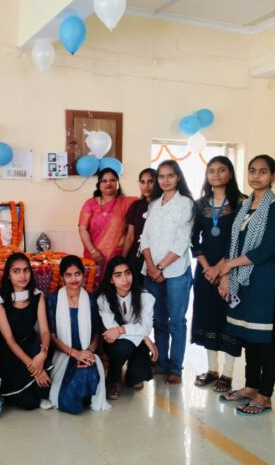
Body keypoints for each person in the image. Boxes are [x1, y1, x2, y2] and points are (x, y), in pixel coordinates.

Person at [218, 155, 275, 416]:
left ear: (273, 176)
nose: (256, 176)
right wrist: (226, 275)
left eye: (263, 171)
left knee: (265, 339)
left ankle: (265, 394)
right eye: (252, 171)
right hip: (242, 279)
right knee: (249, 336)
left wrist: (229, 266)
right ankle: (251, 386)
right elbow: (232, 243)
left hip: (263, 281)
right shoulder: (244, 206)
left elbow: (267, 248)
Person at [191, 157, 244, 393]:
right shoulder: (199, 204)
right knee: (208, 318)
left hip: (232, 270)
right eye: (211, 170)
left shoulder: (242, 203)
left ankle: (228, 374)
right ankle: (212, 370)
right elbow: (193, 240)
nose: (216, 174)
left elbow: (239, 240)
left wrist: (221, 269)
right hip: (206, 272)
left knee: (229, 319)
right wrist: (207, 268)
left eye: (221, 170)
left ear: (230, 173)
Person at [140, 160, 194, 385]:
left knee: (176, 321)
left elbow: (182, 241)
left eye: (170, 175)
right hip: (151, 271)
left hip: (176, 272)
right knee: (159, 319)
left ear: (178, 177)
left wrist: (160, 267)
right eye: (161, 176)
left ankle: (175, 368)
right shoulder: (154, 205)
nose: (165, 180)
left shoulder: (186, 204)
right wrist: (152, 267)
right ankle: (161, 363)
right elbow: (145, 238)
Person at [46, 255, 110, 413]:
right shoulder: (53, 299)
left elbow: (97, 332)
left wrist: (89, 351)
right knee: (70, 405)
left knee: (87, 371)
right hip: (64, 355)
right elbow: (52, 336)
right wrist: (74, 353)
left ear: (83, 274)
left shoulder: (91, 299)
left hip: (86, 353)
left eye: (77, 274)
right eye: (68, 275)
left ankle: (82, 392)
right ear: (62, 278)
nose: (73, 279)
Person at [0, 252, 51, 410]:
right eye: (16, 271)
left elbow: (45, 331)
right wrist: (35, 368)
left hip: (33, 347)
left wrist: (42, 354)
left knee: (46, 390)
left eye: (26, 270)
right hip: (13, 353)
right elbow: (10, 340)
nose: (22, 276)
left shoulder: (37, 296)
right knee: (29, 403)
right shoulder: (0, 302)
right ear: (8, 275)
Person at [97, 256, 156, 400]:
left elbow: (146, 326)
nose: (125, 279)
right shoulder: (104, 299)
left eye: (128, 273)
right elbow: (111, 329)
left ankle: (132, 373)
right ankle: (113, 378)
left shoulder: (145, 297)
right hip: (116, 343)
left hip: (134, 342)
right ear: (111, 280)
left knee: (136, 379)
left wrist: (121, 330)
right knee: (123, 346)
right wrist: (145, 337)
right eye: (118, 275)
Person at [79, 168, 137, 278]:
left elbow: (146, 201)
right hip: (93, 256)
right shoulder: (90, 204)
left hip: (117, 257)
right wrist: (93, 251)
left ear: (118, 183)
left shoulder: (128, 202)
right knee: (93, 284)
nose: (108, 183)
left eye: (113, 180)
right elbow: (82, 229)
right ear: (99, 184)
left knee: (114, 284)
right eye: (104, 181)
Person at [122, 168, 156, 274]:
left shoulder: (163, 206)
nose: (146, 186)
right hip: (135, 258)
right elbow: (130, 236)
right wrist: (122, 259)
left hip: (156, 258)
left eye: (150, 182)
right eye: (142, 182)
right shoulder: (136, 206)